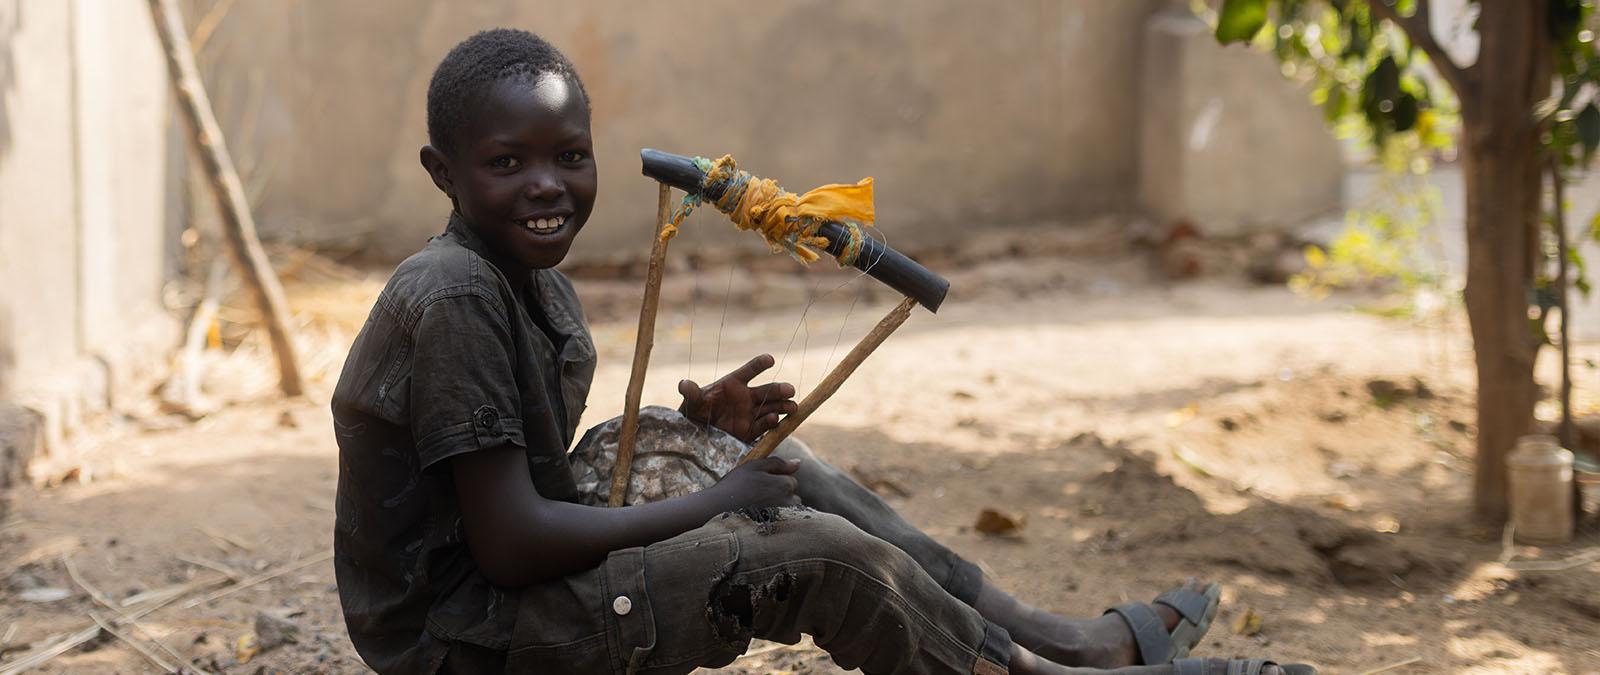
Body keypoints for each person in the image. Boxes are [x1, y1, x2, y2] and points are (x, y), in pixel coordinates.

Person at [330, 27, 1314, 675]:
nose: (547, 186)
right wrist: (711, 502)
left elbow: (519, 480)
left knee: (776, 464)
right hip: (463, 640)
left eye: (570, 156)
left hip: (505, 588)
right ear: (442, 174)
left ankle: (1057, 641)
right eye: (507, 164)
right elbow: (506, 544)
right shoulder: (453, 294)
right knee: (814, 554)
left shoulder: (516, 271)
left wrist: (698, 437)